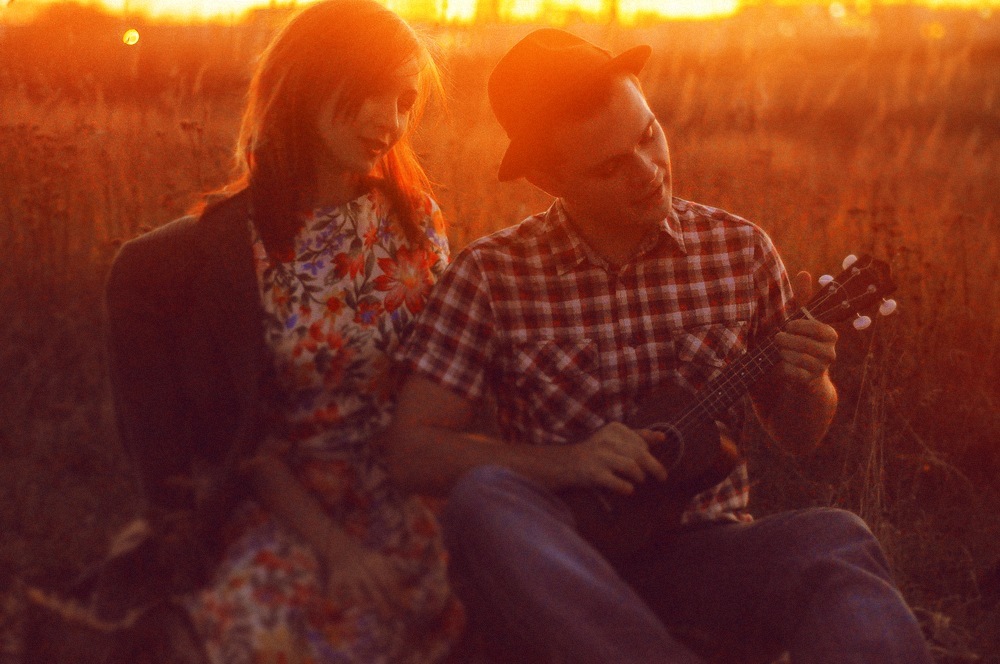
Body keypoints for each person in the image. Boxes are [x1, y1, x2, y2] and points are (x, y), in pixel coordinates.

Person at [382, 29, 932, 663]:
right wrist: (569, 463)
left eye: (648, 136)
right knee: (483, 503)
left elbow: (799, 434)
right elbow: (411, 451)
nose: (647, 172)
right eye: (609, 166)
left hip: (706, 556)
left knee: (837, 540)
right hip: (560, 560)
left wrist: (810, 379)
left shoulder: (740, 250)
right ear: (547, 176)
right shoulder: (491, 274)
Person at [104, 1, 463, 660]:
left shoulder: (416, 225)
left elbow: (446, 386)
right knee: (255, 629)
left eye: (405, 100)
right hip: (283, 504)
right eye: (369, 92)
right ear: (306, 83)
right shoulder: (234, 246)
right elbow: (247, 436)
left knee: (400, 616)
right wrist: (336, 550)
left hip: (408, 493)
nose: (390, 119)